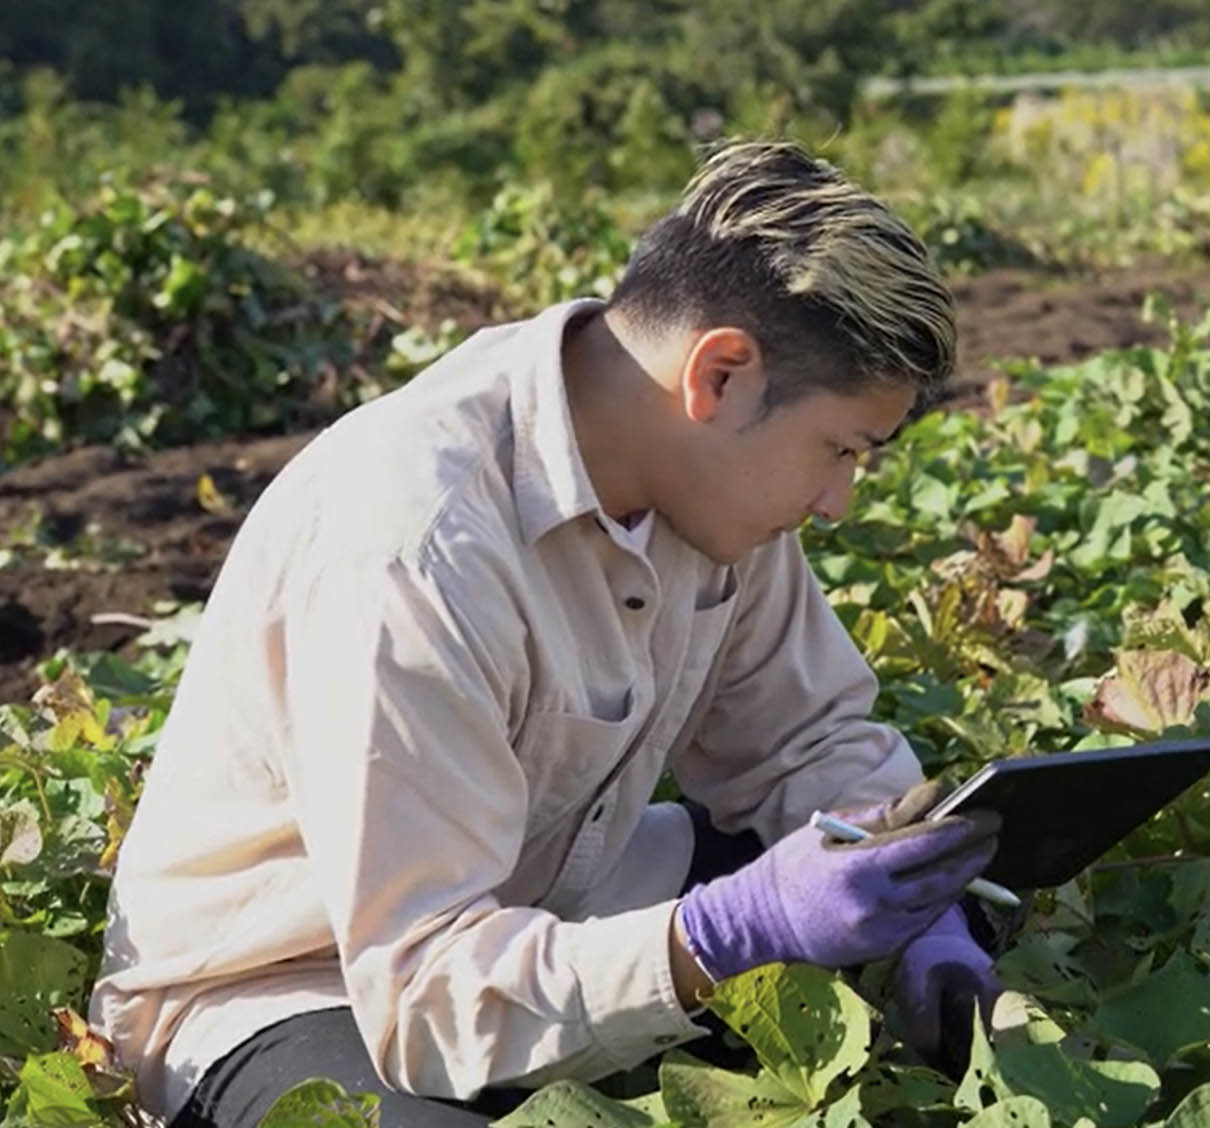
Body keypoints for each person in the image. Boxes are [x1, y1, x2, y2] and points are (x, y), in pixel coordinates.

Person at [88, 139, 1009, 1127]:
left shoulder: (704, 488)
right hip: (307, 987)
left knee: (959, 890)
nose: (835, 501)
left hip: (553, 895)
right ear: (722, 374)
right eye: (838, 451)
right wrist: (729, 931)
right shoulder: (414, 544)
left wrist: (925, 914)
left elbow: (808, 741)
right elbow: (423, 995)